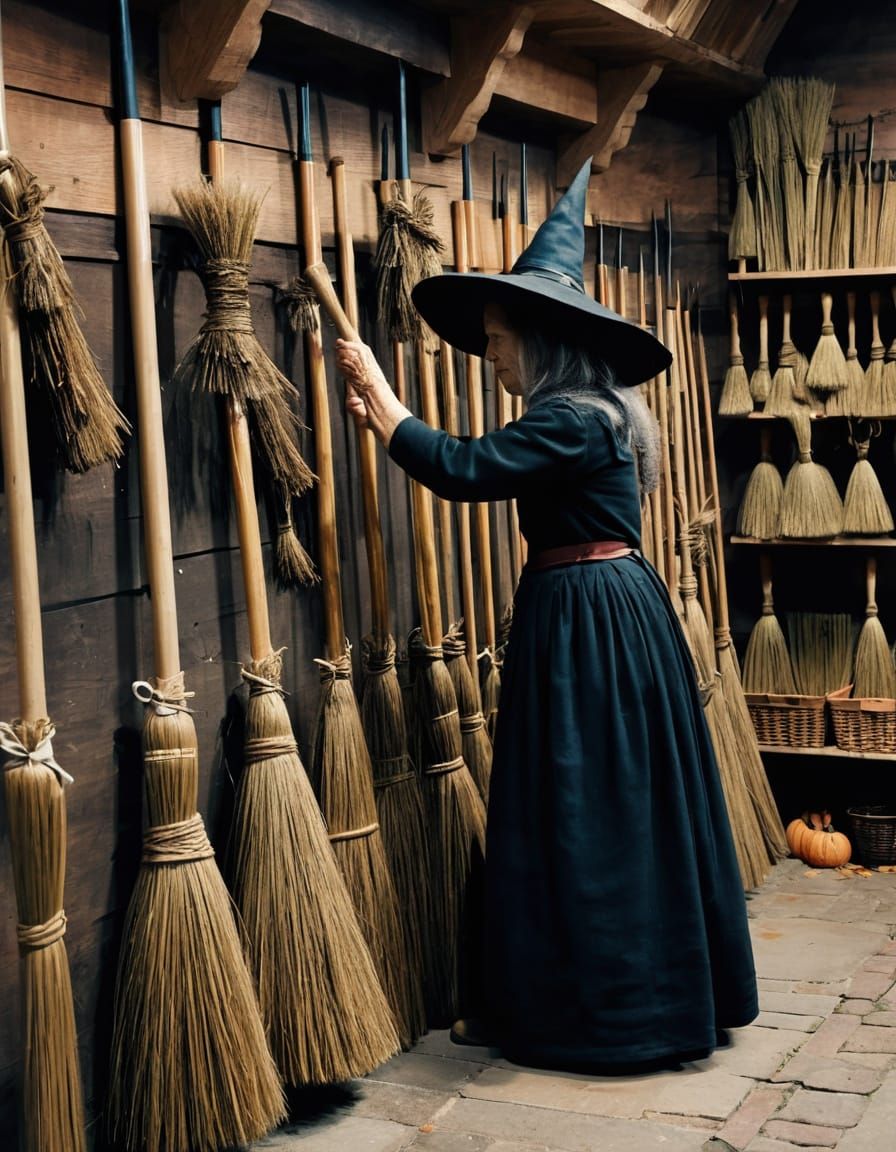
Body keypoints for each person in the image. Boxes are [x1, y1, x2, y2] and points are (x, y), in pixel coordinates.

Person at [334, 159, 758, 1073]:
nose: (491, 356)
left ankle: (614, 1014)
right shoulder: (599, 413)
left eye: (496, 338)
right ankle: (576, 996)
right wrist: (385, 410)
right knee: (592, 802)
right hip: (606, 614)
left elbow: (467, 470)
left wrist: (384, 399)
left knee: (583, 806)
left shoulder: (573, 421)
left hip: (592, 626)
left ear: (542, 340)